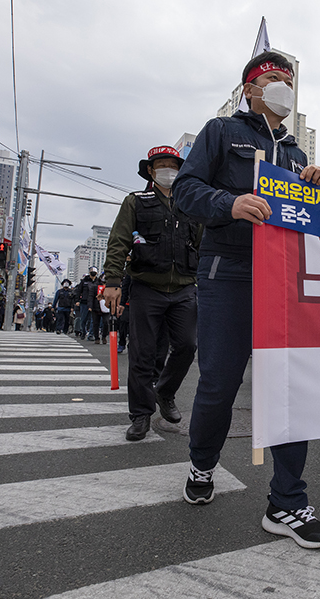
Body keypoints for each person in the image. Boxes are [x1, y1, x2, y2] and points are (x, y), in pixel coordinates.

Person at [173, 51, 320, 549]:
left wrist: (318, 189)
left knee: (289, 386)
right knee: (219, 384)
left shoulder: (297, 155)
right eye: (274, 77)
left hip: (284, 280)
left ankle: (287, 501)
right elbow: (185, 190)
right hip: (228, 272)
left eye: (289, 78)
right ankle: (202, 464)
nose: (284, 84)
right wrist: (230, 203)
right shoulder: (222, 132)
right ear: (251, 89)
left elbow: (310, 224)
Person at [103, 145, 201, 441]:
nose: (168, 170)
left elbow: (202, 243)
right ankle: (140, 415)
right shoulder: (136, 202)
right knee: (142, 354)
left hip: (184, 287)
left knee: (187, 346)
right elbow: (118, 241)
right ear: (150, 170)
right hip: (147, 287)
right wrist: (112, 282)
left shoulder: (190, 203)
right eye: (162, 165)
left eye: (173, 165)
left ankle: (165, 392)